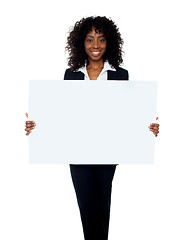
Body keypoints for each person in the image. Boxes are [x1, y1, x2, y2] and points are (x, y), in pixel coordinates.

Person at [25, 16, 159, 240]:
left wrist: (147, 127)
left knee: (102, 204)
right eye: (89, 40)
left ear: (109, 42)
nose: (95, 45)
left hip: (109, 150)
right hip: (77, 151)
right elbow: (63, 113)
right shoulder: (71, 75)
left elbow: (127, 115)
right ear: (81, 43)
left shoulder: (120, 74)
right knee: (86, 207)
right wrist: (38, 125)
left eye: (101, 39)